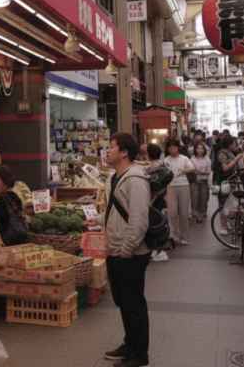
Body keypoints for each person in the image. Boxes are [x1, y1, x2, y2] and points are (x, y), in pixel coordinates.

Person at [103, 133, 151, 367]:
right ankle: (129, 343)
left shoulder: (135, 179)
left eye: (111, 147)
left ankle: (139, 354)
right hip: (115, 250)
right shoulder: (114, 177)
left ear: (123, 152)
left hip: (130, 253)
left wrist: (126, 249)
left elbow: (139, 219)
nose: (107, 150)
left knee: (134, 304)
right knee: (124, 302)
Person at [164, 139, 195, 246]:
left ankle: (184, 236)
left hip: (183, 186)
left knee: (183, 213)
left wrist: (183, 170)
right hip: (170, 187)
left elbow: (192, 168)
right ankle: (174, 235)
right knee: (172, 213)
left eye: (174, 147)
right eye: (170, 147)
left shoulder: (184, 158)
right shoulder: (166, 160)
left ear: (178, 147)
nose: (172, 149)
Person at [0, 165, 27, 246]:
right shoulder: (15, 196)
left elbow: (0, 224)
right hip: (21, 239)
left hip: (8, 242)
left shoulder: (1, 200)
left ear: (5, 181)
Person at [190, 143, 212, 223]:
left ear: (204, 150)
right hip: (194, 181)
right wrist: (202, 172)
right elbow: (191, 171)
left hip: (204, 181)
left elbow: (208, 172)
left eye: (201, 148)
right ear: (195, 149)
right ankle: (196, 213)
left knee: (204, 199)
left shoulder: (207, 159)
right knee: (194, 199)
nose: (200, 150)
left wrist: (198, 172)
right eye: (198, 148)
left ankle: (202, 214)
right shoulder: (192, 159)